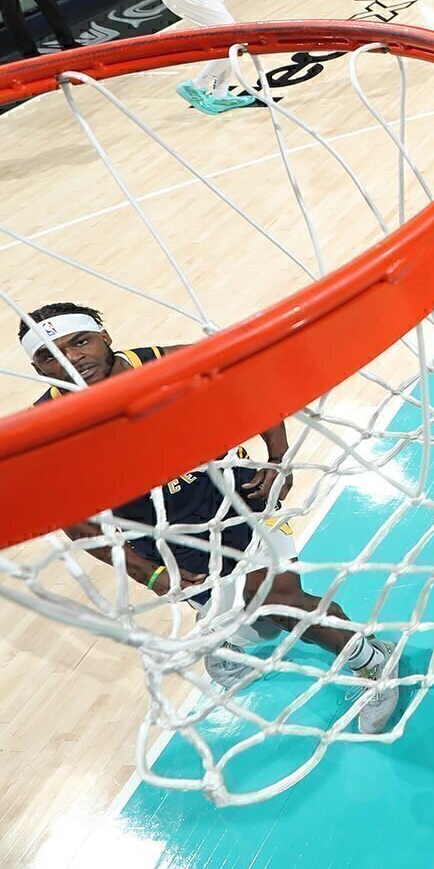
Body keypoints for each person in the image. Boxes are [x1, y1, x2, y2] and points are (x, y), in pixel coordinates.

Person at [22, 302, 399, 722]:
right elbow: (77, 522)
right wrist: (147, 571)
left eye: (80, 342)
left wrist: (278, 459)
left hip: (237, 504)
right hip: (165, 536)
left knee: (281, 605)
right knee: (229, 612)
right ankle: (225, 640)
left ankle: (373, 661)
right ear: (38, 367)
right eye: (50, 355)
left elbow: (253, 385)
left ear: (104, 337)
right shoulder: (46, 431)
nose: (73, 359)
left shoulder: (170, 363)